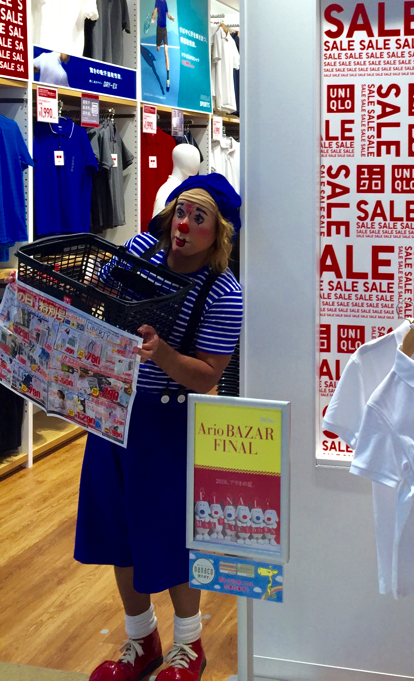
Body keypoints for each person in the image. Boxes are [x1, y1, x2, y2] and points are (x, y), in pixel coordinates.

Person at [75, 173, 243, 681]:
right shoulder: (141, 251)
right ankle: (141, 639)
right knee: (119, 531)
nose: (183, 225)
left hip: (169, 423)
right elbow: (100, 292)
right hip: (111, 409)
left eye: (199, 217)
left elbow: (208, 376)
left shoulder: (224, 292)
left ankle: (189, 645)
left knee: (171, 534)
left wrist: (163, 353)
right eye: (180, 212)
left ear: (220, 233)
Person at [151, 0, 175, 92]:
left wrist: (171, 17)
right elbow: (155, 11)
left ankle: (168, 78)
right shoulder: (157, 0)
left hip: (164, 30)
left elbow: (167, 13)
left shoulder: (164, 1)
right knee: (157, 49)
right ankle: (158, 44)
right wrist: (153, 18)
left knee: (166, 53)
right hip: (158, 30)